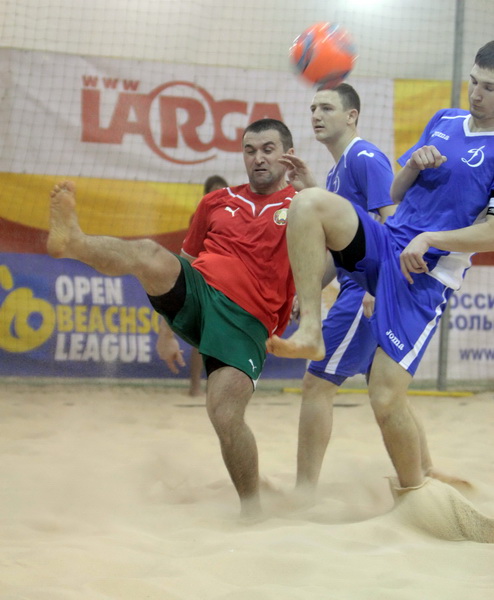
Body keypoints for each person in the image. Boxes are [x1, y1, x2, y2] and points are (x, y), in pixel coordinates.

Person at [267, 41, 494, 498]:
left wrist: (431, 240)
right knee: (308, 203)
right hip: (388, 245)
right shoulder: (445, 120)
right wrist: (414, 163)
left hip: (424, 275)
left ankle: (417, 494)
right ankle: (310, 328)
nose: (476, 94)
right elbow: (396, 192)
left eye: (489, 88)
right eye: (473, 82)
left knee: (386, 398)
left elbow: (490, 233)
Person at [47, 118, 297, 520]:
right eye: (250, 151)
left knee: (224, 413)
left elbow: (327, 256)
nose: (258, 158)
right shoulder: (216, 202)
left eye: (268, 149)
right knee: (149, 253)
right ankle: (74, 242)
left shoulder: (302, 205)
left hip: (247, 319)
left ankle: (251, 508)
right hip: (199, 292)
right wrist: (166, 334)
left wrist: (311, 299)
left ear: (287, 154)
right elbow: (185, 261)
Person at [282, 84, 399, 501]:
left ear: (352, 116)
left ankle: (303, 495)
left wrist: (380, 289)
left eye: (327, 107)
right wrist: (308, 288)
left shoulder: (365, 157)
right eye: (313, 107)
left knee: (317, 385)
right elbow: (341, 248)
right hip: (362, 285)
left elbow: (394, 227)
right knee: (389, 398)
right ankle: (426, 477)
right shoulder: (337, 171)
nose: (316, 114)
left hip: (367, 291)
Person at [156, 174, 229, 397]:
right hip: (203, 278)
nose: (218, 196)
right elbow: (192, 253)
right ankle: (195, 385)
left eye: (222, 192)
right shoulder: (200, 216)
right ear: (206, 195)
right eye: (214, 192)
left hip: (226, 280)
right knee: (201, 338)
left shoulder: (235, 217)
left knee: (224, 338)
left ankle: (217, 387)